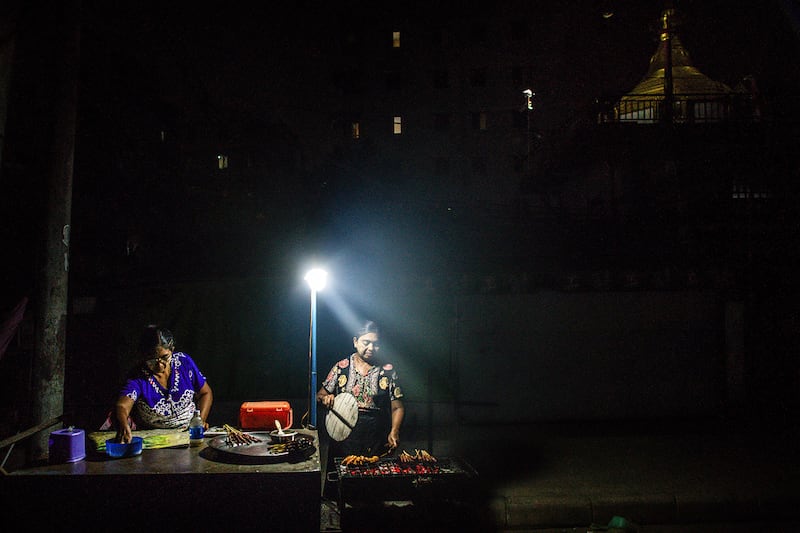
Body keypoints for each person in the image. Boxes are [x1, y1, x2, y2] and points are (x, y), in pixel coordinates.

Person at [104, 325, 213, 443]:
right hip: (156, 440)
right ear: (144, 356)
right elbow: (122, 406)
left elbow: (205, 393)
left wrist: (199, 422)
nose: (160, 365)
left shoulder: (184, 363)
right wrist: (123, 426)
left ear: (172, 349)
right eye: (152, 359)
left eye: (165, 357)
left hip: (190, 435)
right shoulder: (138, 377)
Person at [317, 320, 404, 461]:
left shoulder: (388, 371)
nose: (371, 347)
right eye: (366, 342)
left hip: (375, 438)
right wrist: (325, 398)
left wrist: (394, 431)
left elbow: (397, 407)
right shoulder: (341, 367)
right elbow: (320, 395)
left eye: (376, 344)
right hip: (343, 435)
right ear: (355, 342)